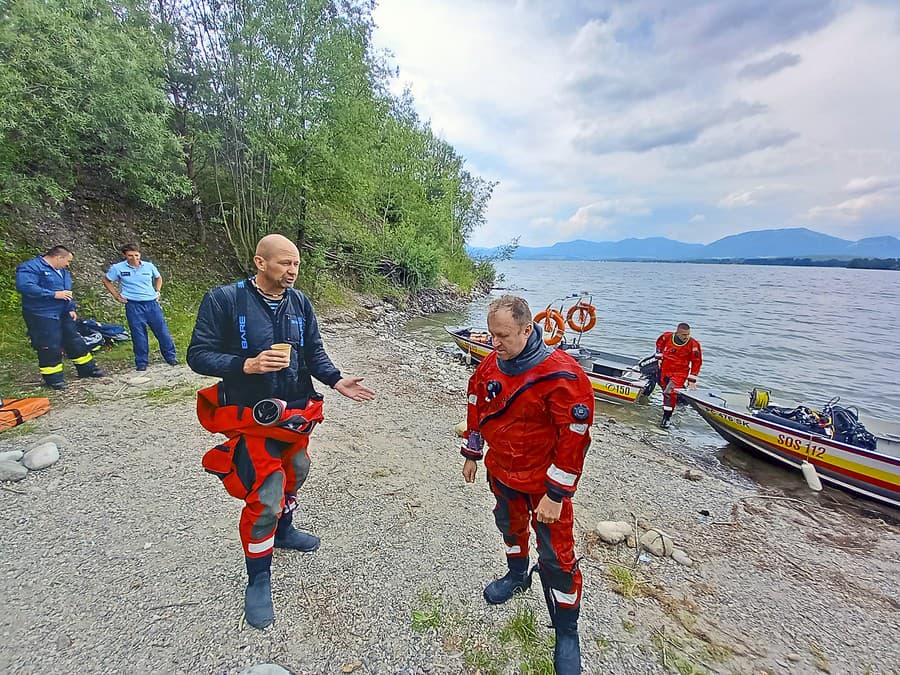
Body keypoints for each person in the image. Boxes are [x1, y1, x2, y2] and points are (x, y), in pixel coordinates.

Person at [187, 233, 375, 629]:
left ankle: (285, 532)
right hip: (249, 417)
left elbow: (313, 352)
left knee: (297, 471)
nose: (292, 271)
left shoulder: (300, 303)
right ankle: (258, 579)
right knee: (266, 496)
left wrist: (337, 380)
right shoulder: (223, 300)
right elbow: (197, 356)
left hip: (295, 414)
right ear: (260, 262)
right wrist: (246, 365)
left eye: (296, 265)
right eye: (284, 263)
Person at [461, 295, 594, 675]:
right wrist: (472, 452)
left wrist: (556, 494)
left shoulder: (563, 376)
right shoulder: (491, 364)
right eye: (491, 334)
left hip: (543, 483)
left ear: (526, 329)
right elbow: (476, 404)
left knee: (557, 557)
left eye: (502, 335)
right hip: (502, 471)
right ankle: (517, 574)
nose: (494, 342)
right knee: (509, 527)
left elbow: (575, 439)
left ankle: (567, 631)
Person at [15, 245, 107, 390]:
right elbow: (25, 286)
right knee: (49, 345)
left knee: (74, 340)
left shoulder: (62, 271)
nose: (68, 264)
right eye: (67, 261)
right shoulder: (31, 267)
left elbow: (67, 291)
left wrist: (71, 308)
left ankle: (87, 369)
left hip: (63, 312)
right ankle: (53, 378)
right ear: (59, 257)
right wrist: (53, 294)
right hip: (41, 314)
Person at [103, 243, 177, 371]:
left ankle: (171, 357)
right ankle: (141, 362)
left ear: (140, 254)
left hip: (151, 303)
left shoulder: (149, 266)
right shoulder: (118, 268)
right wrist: (116, 296)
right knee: (139, 334)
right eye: (130, 255)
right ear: (125, 255)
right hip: (133, 305)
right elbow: (106, 280)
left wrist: (157, 291)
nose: (134, 258)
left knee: (162, 331)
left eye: (136, 255)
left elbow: (158, 278)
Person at [655, 322, 702, 429]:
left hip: (680, 372)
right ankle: (675, 404)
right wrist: (659, 356)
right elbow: (659, 343)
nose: (686, 337)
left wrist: (692, 378)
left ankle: (666, 418)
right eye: (684, 335)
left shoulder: (694, 344)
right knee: (664, 391)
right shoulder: (667, 336)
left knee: (669, 392)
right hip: (665, 369)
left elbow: (697, 361)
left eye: (688, 334)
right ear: (677, 333)